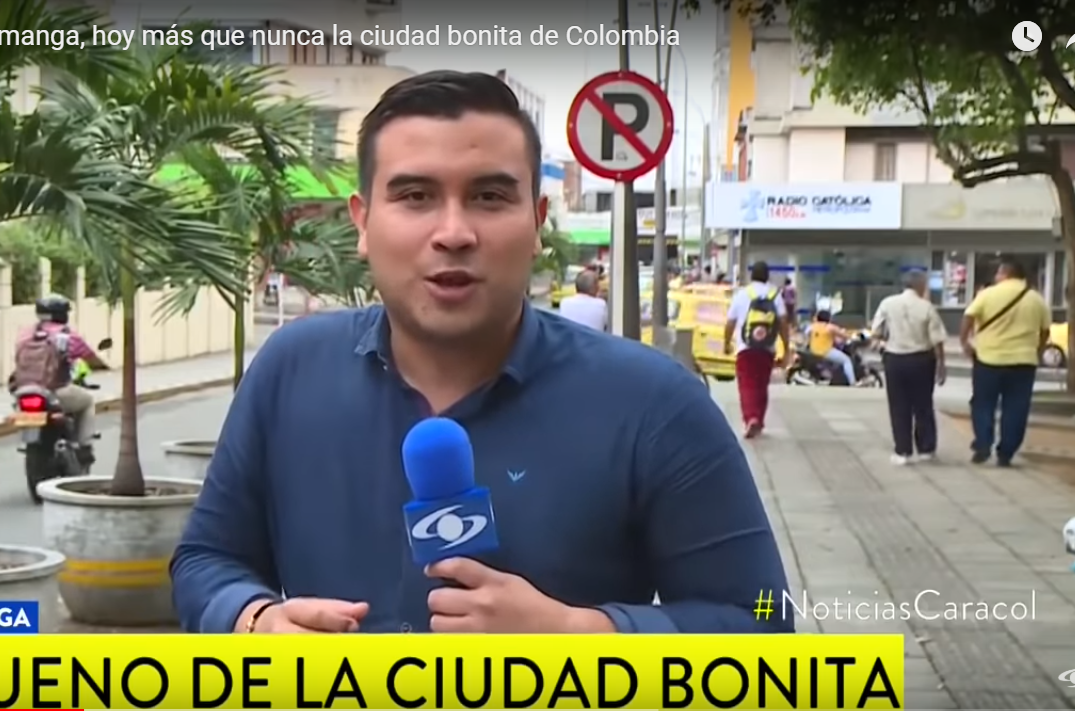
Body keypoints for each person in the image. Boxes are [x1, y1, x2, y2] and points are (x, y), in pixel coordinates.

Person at [170, 71, 791, 636]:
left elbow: (761, 618)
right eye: (415, 197)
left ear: (538, 221)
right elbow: (206, 559)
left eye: (490, 197)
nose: (453, 233)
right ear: (362, 223)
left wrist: (581, 634)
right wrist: (255, 620)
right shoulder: (290, 370)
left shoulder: (654, 402)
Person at [959, 257, 1051, 466]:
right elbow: (1045, 330)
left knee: (983, 404)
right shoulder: (1036, 299)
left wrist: (965, 342)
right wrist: (1037, 350)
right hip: (1023, 362)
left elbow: (969, 316)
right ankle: (1006, 452)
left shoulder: (987, 294)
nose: (996, 277)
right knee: (1016, 408)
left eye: (998, 273)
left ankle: (983, 444)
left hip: (988, 359)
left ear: (1005, 274)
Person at [13, 294, 108, 463]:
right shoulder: (66, 336)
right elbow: (90, 357)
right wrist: (103, 366)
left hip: (24, 390)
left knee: (19, 409)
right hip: (54, 390)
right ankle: (85, 446)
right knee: (87, 401)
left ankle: (27, 441)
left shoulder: (25, 334)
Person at [871, 271, 948, 465]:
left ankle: (902, 451)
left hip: (895, 358)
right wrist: (941, 364)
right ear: (920, 285)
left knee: (898, 405)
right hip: (922, 359)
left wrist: (883, 342)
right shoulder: (927, 307)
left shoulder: (887, 303)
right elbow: (937, 339)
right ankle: (926, 449)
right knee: (923, 404)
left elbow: (876, 331)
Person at [724, 261, 793, 439]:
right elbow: (783, 322)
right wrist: (786, 347)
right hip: (767, 348)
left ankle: (751, 418)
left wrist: (726, 343)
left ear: (751, 276)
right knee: (762, 384)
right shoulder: (774, 295)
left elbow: (730, 322)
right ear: (767, 276)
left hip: (745, 348)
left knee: (747, 384)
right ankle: (759, 420)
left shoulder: (742, 294)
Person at [806, 310, 857, 385]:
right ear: (829, 318)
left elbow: (808, 335)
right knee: (847, 360)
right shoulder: (830, 327)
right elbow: (844, 335)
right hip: (825, 352)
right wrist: (851, 336)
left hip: (813, 351)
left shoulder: (812, 326)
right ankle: (853, 382)